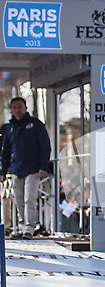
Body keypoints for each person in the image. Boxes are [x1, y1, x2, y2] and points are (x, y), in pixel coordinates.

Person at [0, 97, 51, 239]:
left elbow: (45, 146)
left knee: (30, 198)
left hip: (33, 168)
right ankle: (22, 227)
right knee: (19, 199)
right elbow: (5, 152)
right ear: (12, 110)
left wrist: (43, 166)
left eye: (20, 107)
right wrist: (2, 171)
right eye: (14, 108)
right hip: (16, 169)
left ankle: (29, 228)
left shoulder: (36, 125)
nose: (17, 110)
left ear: (25, 108)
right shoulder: (9, 128)